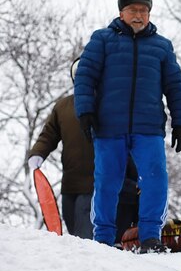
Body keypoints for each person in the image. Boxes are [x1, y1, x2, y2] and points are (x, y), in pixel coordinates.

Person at [73, 0, 181, 253]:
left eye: (144, 11)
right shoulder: (102, 40)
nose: (139, 15)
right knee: (107, 180)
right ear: (121, 13)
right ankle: (103, 236)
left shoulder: (162, 46)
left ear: (149, 14)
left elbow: (175, 86)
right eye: (133, 10)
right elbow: (85, 76)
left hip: (148, 127)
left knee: (155, 178)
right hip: (108, 126)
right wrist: (85, 112)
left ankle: (150, 236)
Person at [29, 59, 139, 242]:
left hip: (97, 185)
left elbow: (131, 143)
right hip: (70, 186)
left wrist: (136, 179)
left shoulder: (111, 105)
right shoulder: (63, 107)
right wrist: (37, 153)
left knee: (87, 240)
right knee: (74, 235)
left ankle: (98, 268)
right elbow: (48, 135)